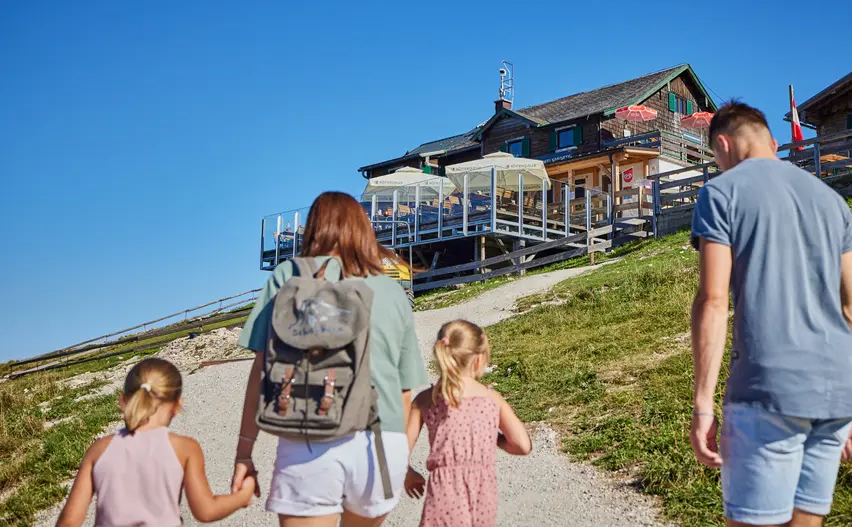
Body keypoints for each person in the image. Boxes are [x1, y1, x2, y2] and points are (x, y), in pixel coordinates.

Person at [688, 101, 852, 527]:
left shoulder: (721, 193)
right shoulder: (832, 202)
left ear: (723, 145)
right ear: (773, 142)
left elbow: (713, 301)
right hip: (835, 394)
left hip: (767, 392)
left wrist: (703, 406)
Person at [233, 191, 428, 527]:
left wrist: (244, 451)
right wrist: (400, 457)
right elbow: (406, 391)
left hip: (309, 435)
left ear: (313, 229)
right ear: (363, 230)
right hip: (380, 443)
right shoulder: (392, 289)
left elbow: (260, 373)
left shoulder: (288, 276)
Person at [57, 358, 255, 527]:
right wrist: (242, 496)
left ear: (123, 402)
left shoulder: (99, 450)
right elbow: (206, 511)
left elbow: (68, 523)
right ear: (177, 406)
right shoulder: (184, 448)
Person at [403, 320, 531, 527]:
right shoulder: (492, 398)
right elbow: (521, 445)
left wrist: (407, 474)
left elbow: (397, 452)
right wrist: (493, 436)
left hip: (443, 494)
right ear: (479, 359)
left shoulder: (427, 399)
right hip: (482, 495)